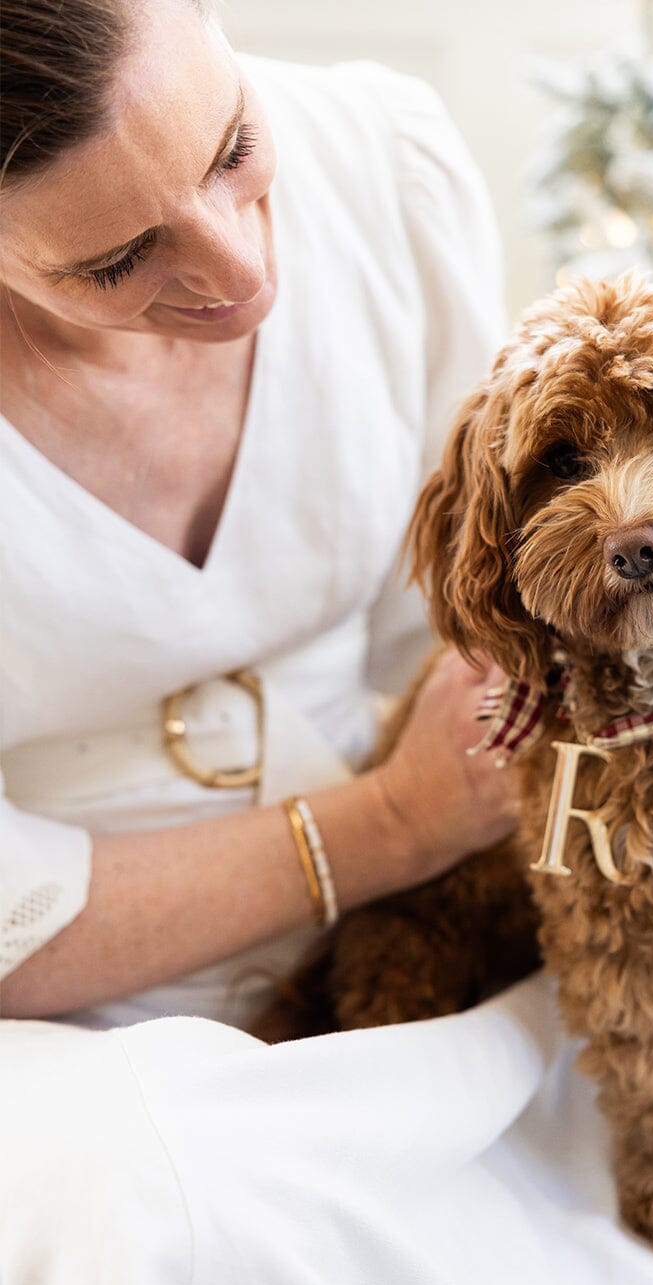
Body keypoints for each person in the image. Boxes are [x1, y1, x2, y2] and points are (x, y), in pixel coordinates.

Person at [0, 0, 517, 1031]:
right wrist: (392, 824)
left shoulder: (383, 163)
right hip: (64, 1030)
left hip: (437, 935)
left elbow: (482, 603)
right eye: (115, 261)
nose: (243, 273)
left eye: (231, 146)